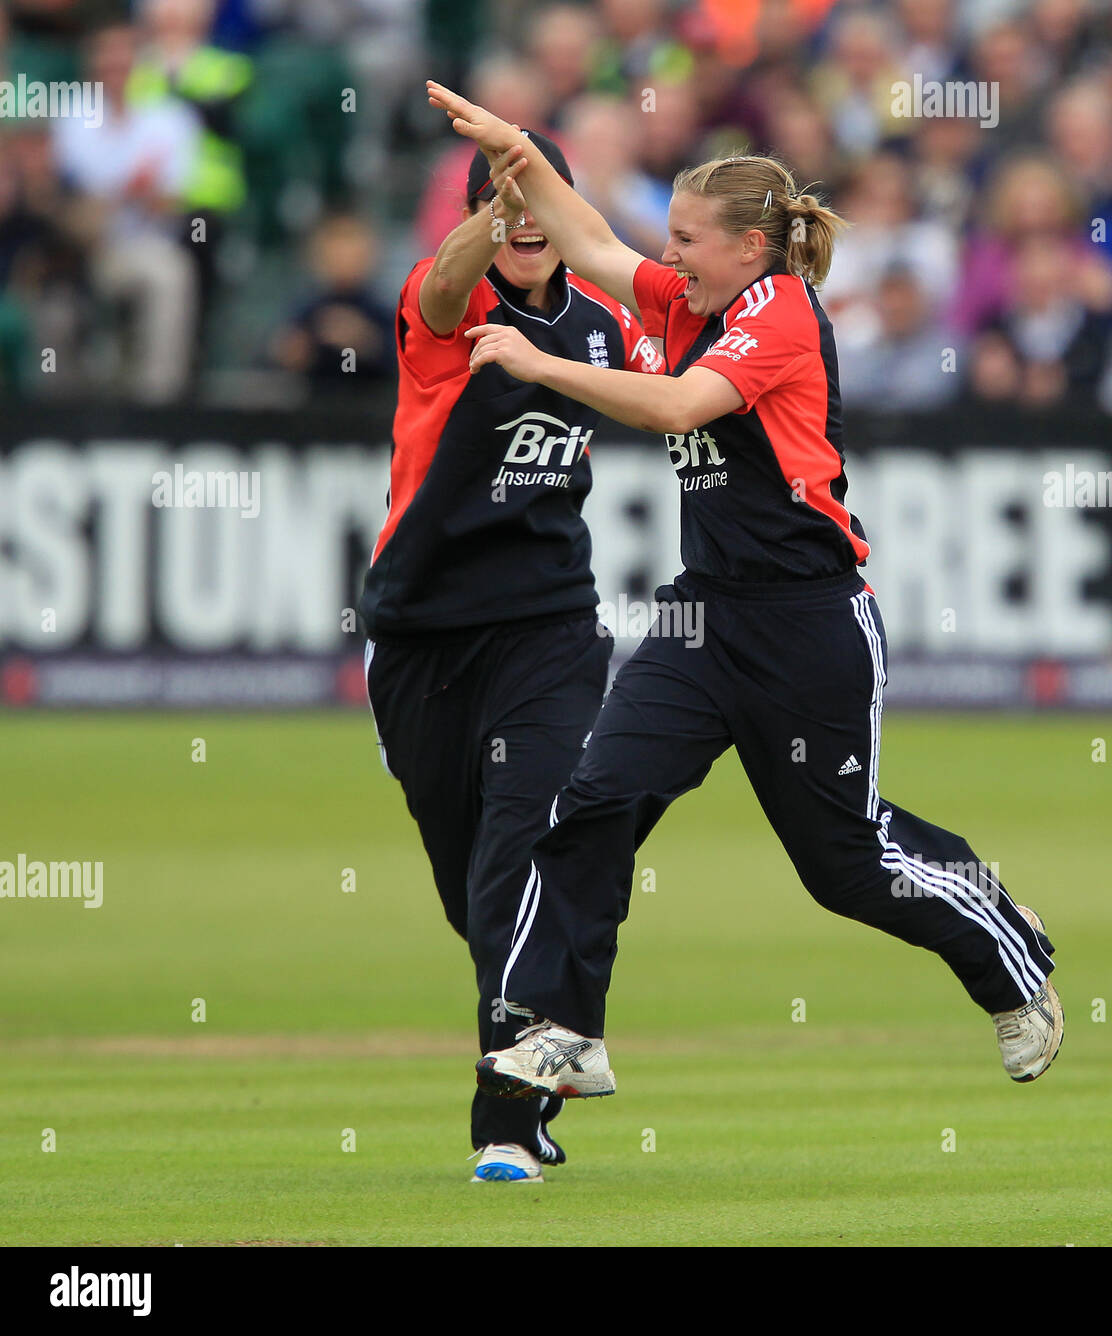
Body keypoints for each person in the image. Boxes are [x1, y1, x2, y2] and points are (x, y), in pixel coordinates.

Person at [425, 82, 1065, 1119]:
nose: (666, 255)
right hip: (702, 615)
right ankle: (564, 1030)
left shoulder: (780, 313)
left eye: (685, 239)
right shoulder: (695, 299)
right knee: (593, 802)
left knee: (842, 863)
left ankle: (1006, 951)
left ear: (750, 248)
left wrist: (540, 363)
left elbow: (679, 403)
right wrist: (516, 152)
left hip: (809, 623)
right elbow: (588, 238)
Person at [359, 128, 665, 1185]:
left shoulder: (605, 323)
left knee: (517, 867)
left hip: (549, 628)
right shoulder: (444, 299)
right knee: (473, 898)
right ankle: (526, 1055)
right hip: (420, 637)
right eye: (500, 201)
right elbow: (445, 287)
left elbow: (687, 367)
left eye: (543, 200)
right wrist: (500, 208)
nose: (525, 219)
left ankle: (507, 1118)